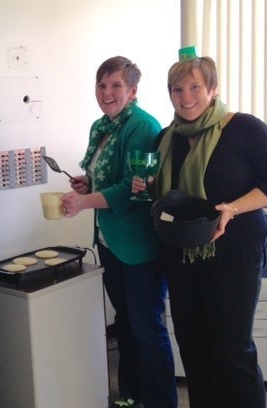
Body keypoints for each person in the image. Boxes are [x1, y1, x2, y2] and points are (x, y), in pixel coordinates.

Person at [133, 46, 267, 407]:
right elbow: (169, 193)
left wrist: (232, 208)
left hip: (234, 252)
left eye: (194, 88)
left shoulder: (244, 129)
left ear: (212, 89)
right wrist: (148, 187)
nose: (186, 97)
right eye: (177, 90)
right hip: (181, 254)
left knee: (231, 349)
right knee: (193, 346)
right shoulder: (167, 139)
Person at [61, 56, 177, 408]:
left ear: (133, 90)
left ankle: (160, 401)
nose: (107, 92)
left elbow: (133, 187)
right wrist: (87, 184)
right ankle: (130, 395)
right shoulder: (103, 126)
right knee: (125, 323)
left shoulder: (141, 126)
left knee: (147, 328)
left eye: (116, 86)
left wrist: (84, 203)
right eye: (102, 85)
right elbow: (107, 177)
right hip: (111, 241)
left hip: (138, 244)